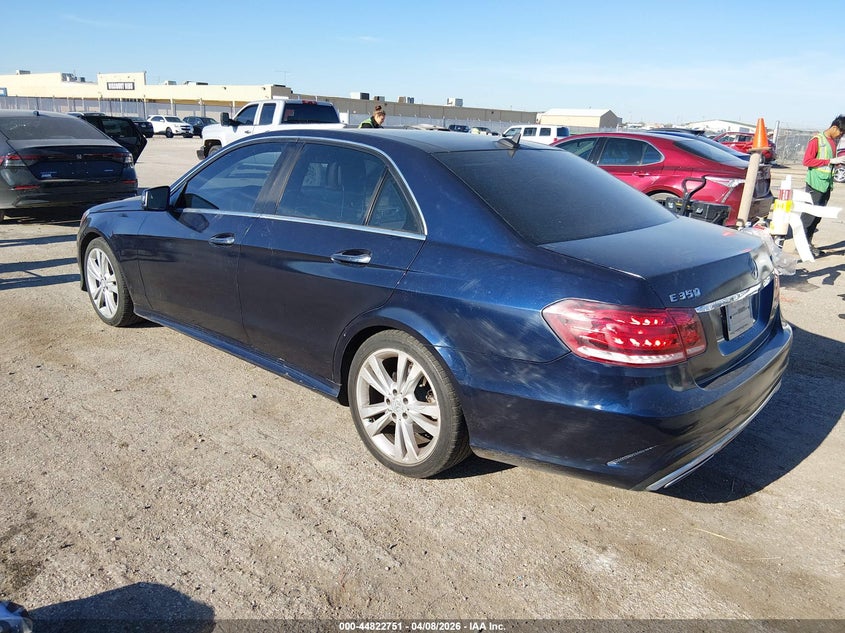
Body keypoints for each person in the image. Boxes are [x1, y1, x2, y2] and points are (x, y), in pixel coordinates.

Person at [802, 114, 845, 256]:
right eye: (841, 132)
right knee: (809, 216)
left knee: (817, 217)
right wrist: (829, 161)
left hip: (826, 184)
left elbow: (829, 161)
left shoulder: (832, 141)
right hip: (815, 184)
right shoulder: (817, 140)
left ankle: (808, 242)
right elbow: (807, 161)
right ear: (834, 127)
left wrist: (837, 162)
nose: (841, 135)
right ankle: (802, 245)